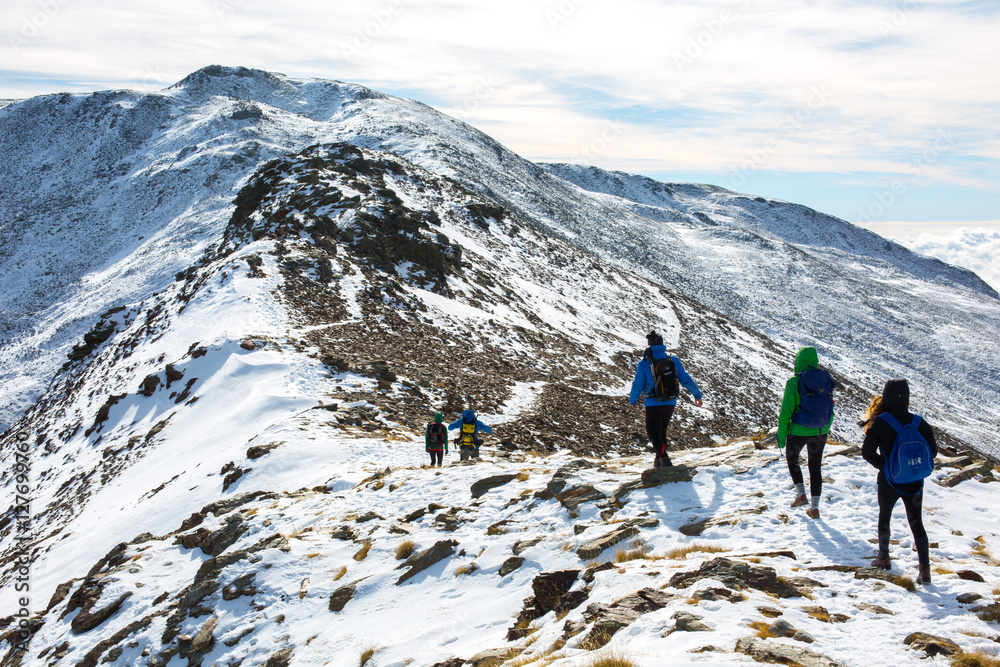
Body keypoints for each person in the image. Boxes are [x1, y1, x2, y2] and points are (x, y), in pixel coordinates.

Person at [861, 378, 937, 584]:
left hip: (889, 482)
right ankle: (924, 570)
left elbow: (866, 452)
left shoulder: (881, 422)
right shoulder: (919, 423)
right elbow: (934, 452)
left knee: (885, 516)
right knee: (917, 523)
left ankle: (884, 558)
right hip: (914, 483)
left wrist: (883, 466)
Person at [777, 346, 836, 519]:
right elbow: (830, 407)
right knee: (815, 466)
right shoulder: (825, 379)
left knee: (792, 460)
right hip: (820, 431)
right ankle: (815, 508)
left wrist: (781, 439)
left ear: (799, 361)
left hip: (798, 431)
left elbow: (785, 413)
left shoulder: (794, 382)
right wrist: (825, 427)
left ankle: (801, 495)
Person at [628, 331, 703, 468]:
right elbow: (686, 379)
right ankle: (658, 462)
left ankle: (665, 459)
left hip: (652, 403)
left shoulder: (644, 363)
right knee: (661, 433)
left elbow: (638, 384)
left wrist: (633, 401)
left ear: (649, 345)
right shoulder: (673, 360)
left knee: (653, 434)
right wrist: (697, 395)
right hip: (670, 402)